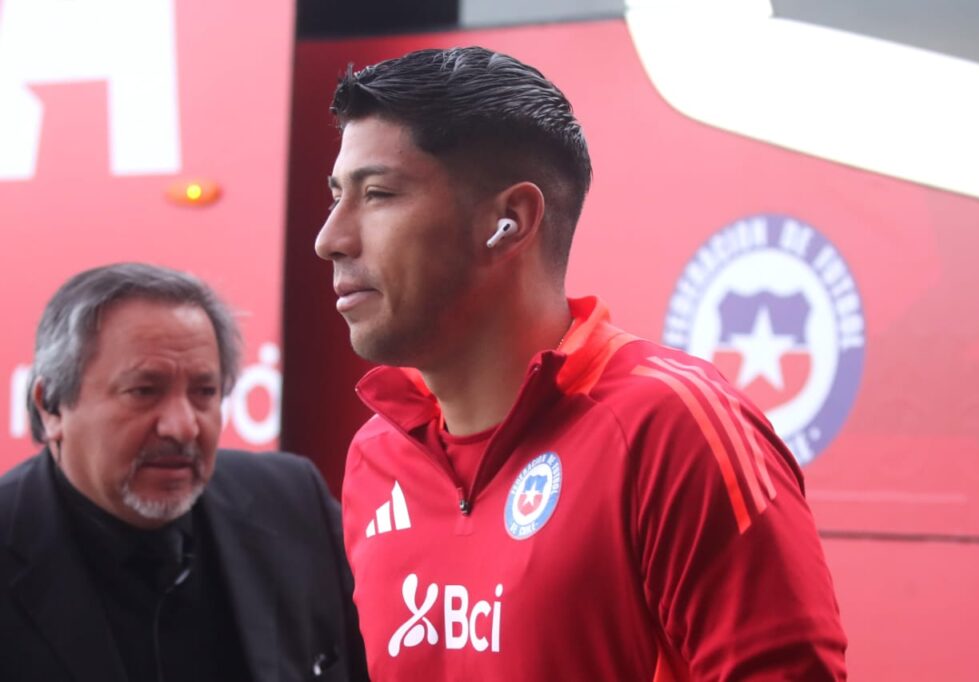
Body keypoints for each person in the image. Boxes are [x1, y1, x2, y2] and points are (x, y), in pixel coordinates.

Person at [315, 47, 847, 680]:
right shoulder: (377, 454)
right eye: (336, 196)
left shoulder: (671, 424)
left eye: (377, 194)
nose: (331, 238)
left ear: (509, 221)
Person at [0, 263, 368, 682]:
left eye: (204, 392)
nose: (182, 426)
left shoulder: (293, 504)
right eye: (144, 391)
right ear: (50, 407)